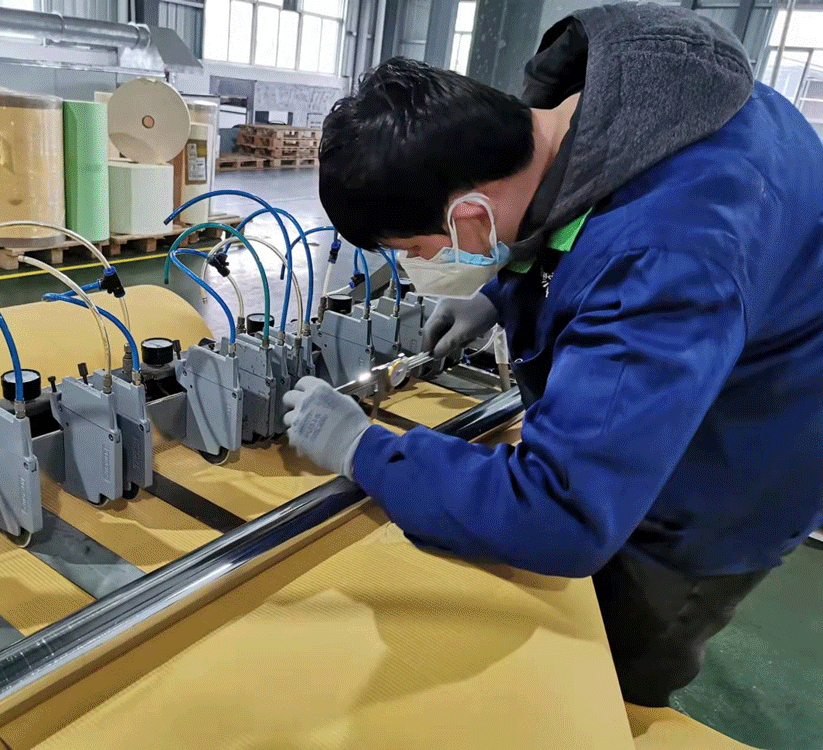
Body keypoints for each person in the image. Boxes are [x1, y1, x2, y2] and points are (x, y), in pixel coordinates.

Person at [281, 2, 823, 707]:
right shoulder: (619, 98)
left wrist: (365, 450)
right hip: (744, 325)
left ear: (468, 215)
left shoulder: (667, 259)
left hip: (737, 463)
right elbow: (568, 218)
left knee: (615, 665)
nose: (419, 268)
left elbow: (562, 513)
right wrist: (500, 292)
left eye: (415, 250)